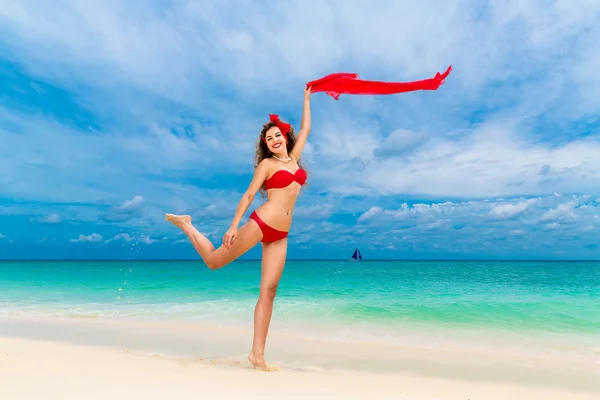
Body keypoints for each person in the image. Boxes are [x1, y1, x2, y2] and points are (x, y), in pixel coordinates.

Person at [165, 86, 312, 371]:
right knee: (213, 262)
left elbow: (306, 127)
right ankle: (187, 225)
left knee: (269, 292)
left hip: (280, 235)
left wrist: (306, 98)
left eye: (277, 135)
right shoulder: (267, 166)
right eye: (269, 139)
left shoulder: (294, 159)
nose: (274, 140)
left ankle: (257, 354)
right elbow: (247, 195)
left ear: (284, 136)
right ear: (266, 146)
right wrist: (233, 226)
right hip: (261, 223)